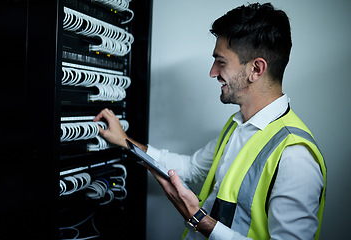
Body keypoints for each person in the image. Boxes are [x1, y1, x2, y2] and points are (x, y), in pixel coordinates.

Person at [93, 3, 326, 240]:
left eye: (221, 62)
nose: (212, 72)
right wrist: (125, 141)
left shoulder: (294, 156)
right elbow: (191, 168)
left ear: (256, 69)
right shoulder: (238, 125)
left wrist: (199, 219)